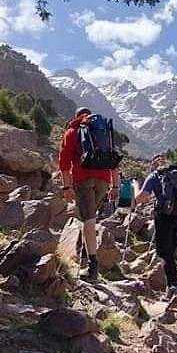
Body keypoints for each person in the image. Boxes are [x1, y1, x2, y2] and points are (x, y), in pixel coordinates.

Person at [59, 106, 119, 282]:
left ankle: (92, 268)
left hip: (83, 179)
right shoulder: (102, 130)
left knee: (88, 221)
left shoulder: (72, 131)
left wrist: (66, 187)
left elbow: (64, 162)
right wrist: (115, 186)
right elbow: (113, 160)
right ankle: (87, 257)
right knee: (91, 219)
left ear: (77, 116)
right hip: (104, 180)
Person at [134, 153, 177, 301]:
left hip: (164, 217)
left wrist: (135, 186)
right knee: (170, 252)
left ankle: (175, 285)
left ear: (154, 163)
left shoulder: (154, 176)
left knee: (163, 252)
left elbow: (141, 198)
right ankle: (171, 287)